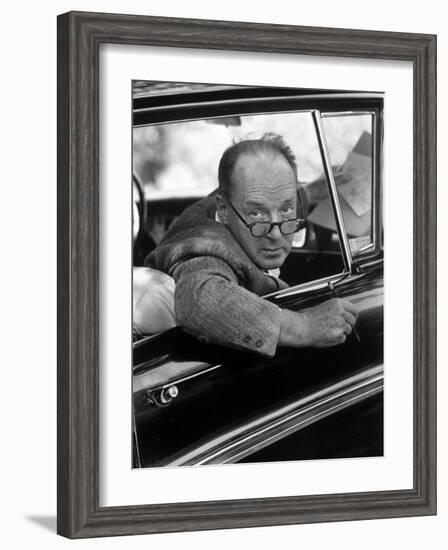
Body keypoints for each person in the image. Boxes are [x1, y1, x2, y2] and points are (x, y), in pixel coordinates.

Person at [146, 133, 357, 357]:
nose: (276, 234)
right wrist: (305, 326)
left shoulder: (231, 203)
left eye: (287, 209)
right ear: (224, 209)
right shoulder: (203, 251)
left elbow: (271, 199)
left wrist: (311, 192)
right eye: (257, 214)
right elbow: (199, 301)